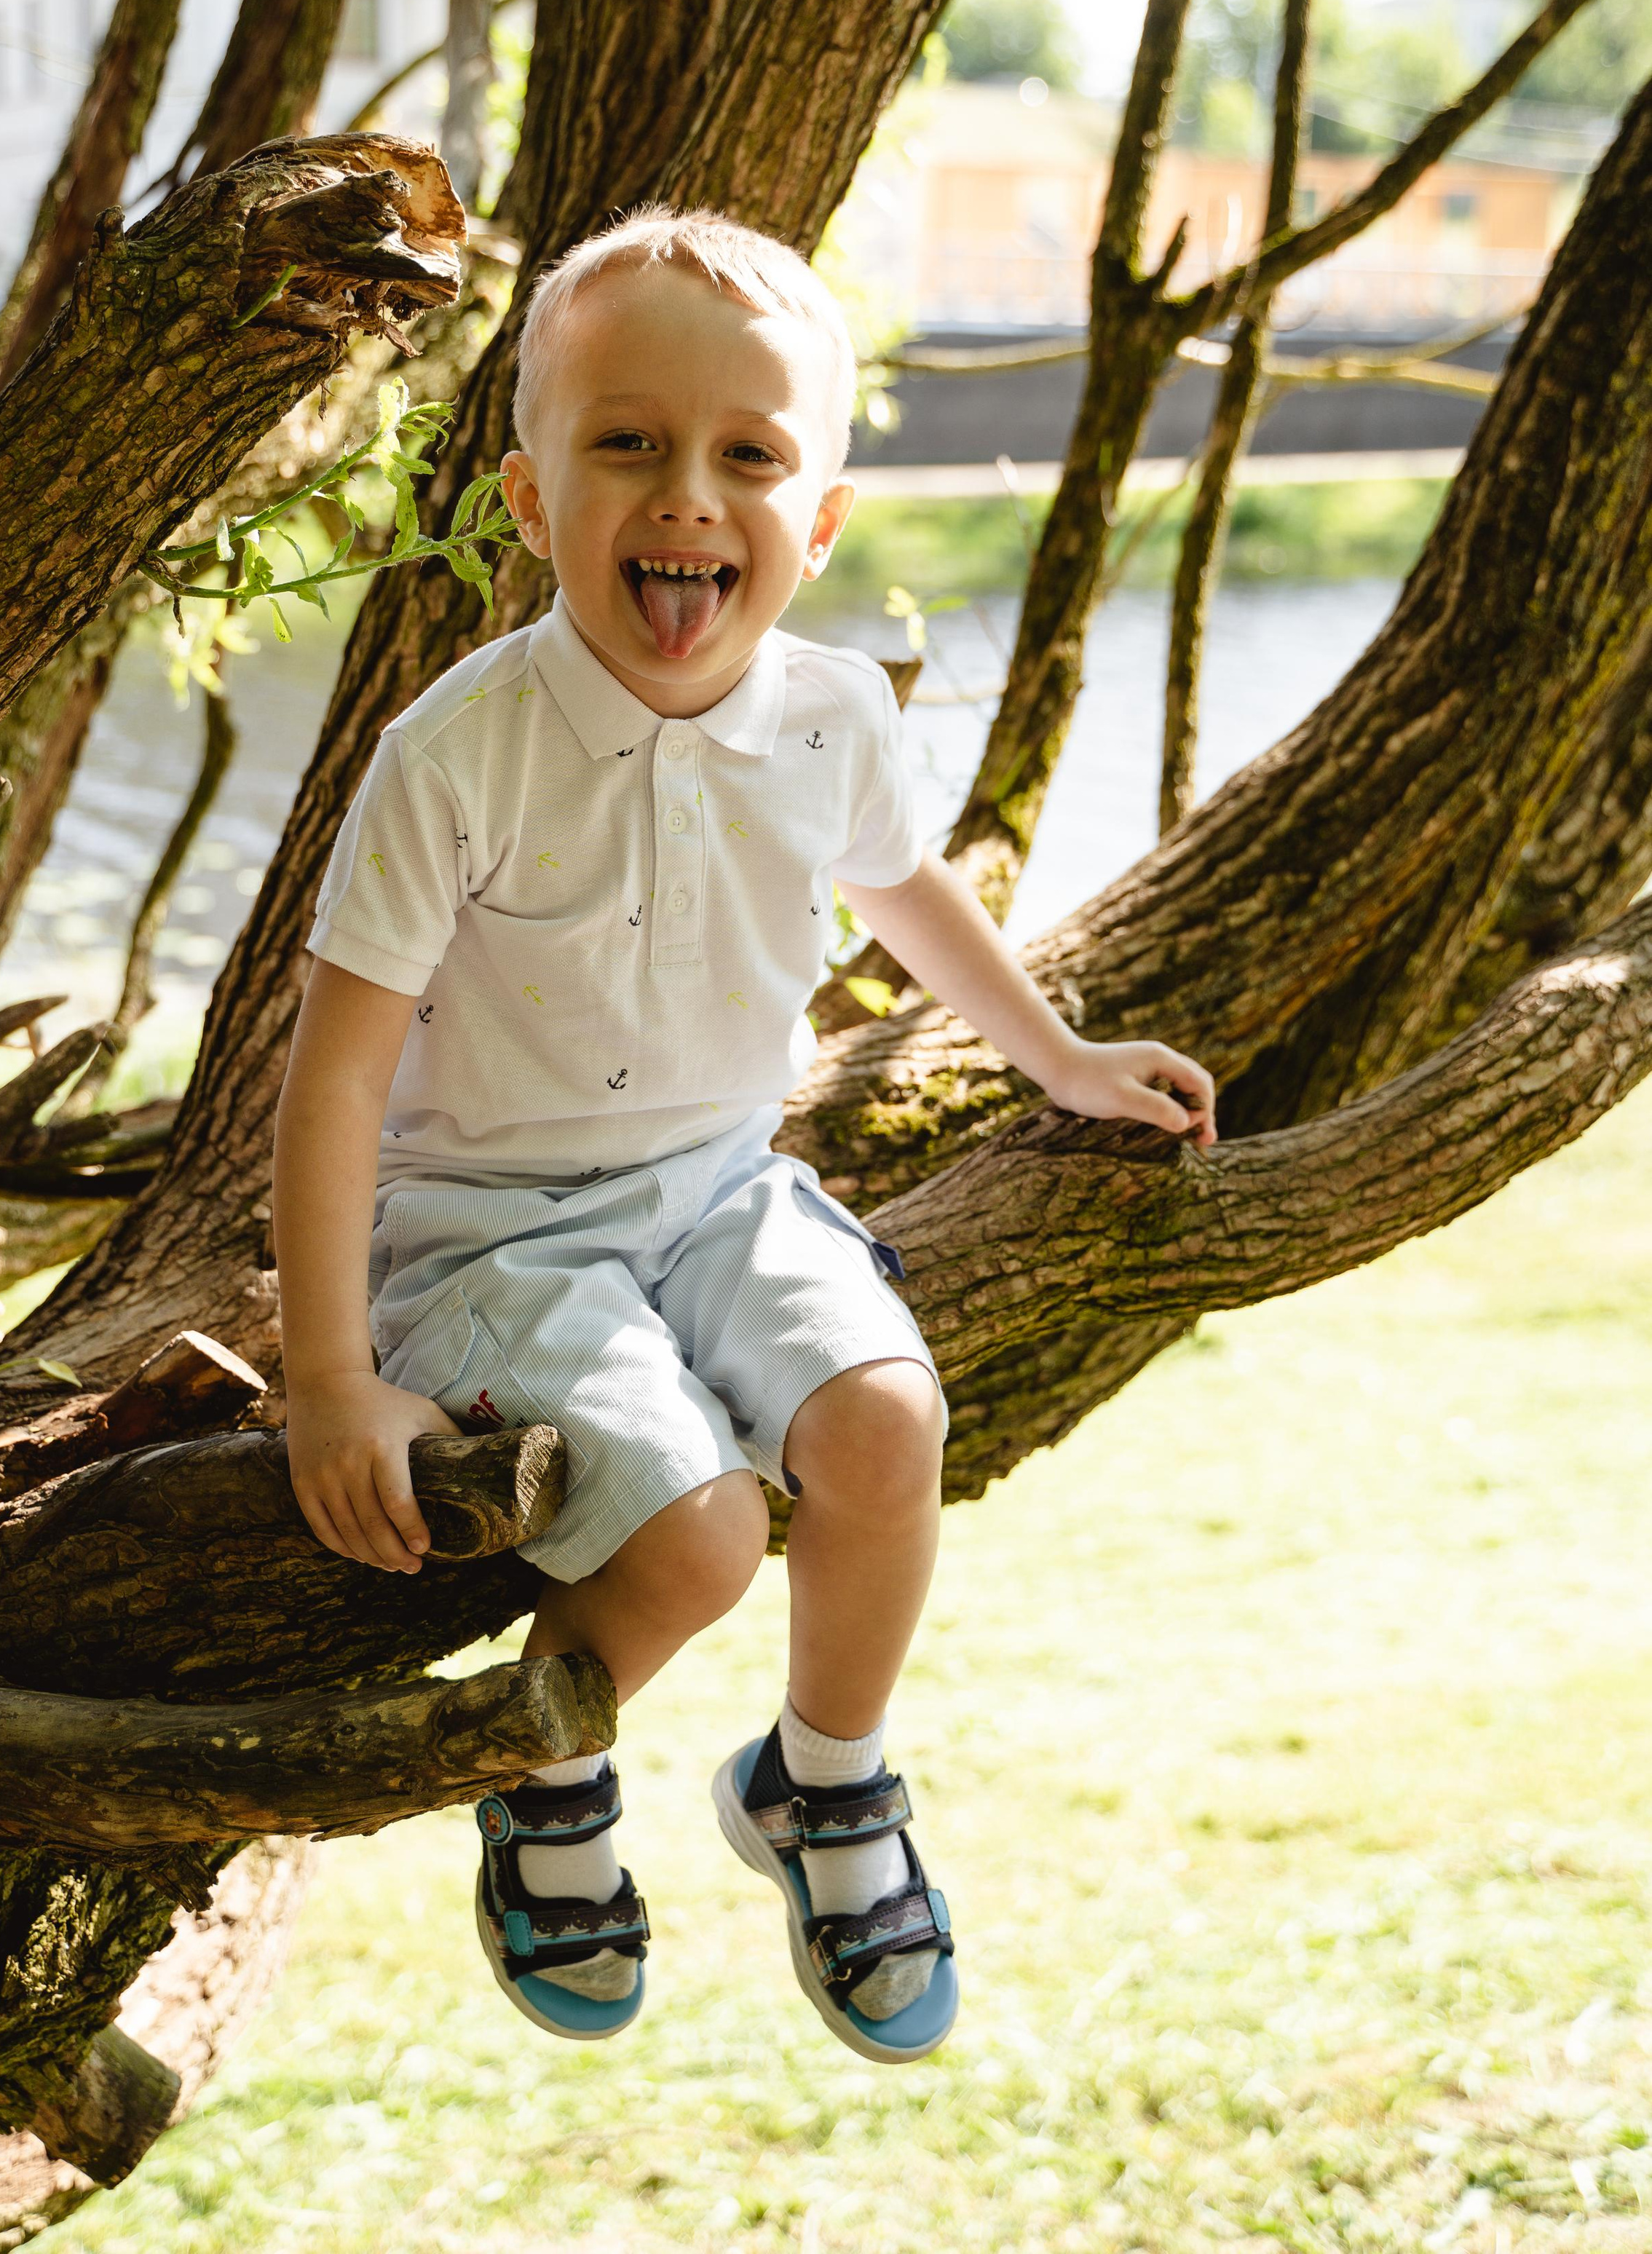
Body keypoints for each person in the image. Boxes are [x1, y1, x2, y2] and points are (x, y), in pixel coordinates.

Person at [272, 207, 1216, 2063]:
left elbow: (906, 893)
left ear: (820, 518)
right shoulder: (453, 753)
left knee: (882, 1420)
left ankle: (823, 1779)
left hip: (716, 1189)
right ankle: (546, 1765)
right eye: (626, 442)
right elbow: (334, 1080)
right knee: (698, 1535)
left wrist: (1056, 1055)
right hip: (488, 1233)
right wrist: (328, 1377)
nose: (687, 496)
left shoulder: (829, 715)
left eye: (748, 456)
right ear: (532, 499)